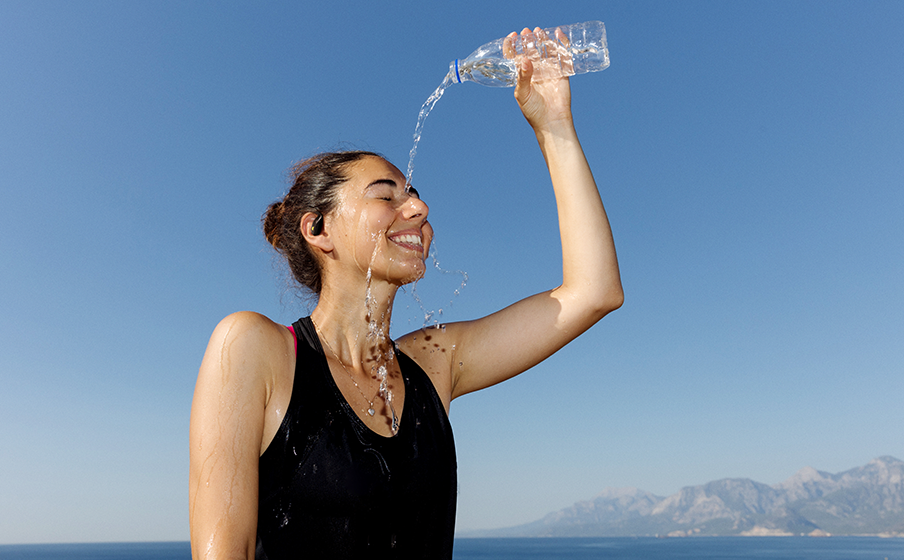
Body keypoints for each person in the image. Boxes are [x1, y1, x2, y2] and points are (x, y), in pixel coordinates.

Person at [189, 27, 624, 560]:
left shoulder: (433, 364)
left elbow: (594, 291)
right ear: (317, 230)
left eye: (415, 196)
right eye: (385, 196)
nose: (417, 210)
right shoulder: (257, 350)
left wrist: (553, 123)